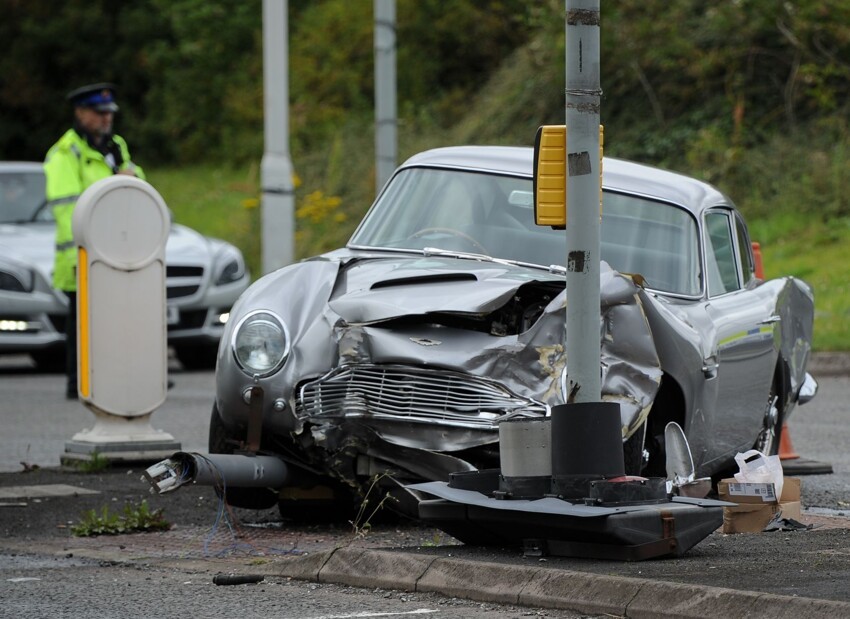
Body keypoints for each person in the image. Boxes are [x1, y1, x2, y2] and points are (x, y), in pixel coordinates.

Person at [44, 83, 144, 399]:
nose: (106, 119)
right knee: (82, 326)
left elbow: (137, 183)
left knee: (116, 318)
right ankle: (78, 384)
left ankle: (119, 377)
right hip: (81, 252)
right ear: (81, 113)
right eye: (99, 114)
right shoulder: (65, 154)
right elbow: (68, 210)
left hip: (116, 248)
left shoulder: (115, 147)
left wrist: (131, 177)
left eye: (109, 113)